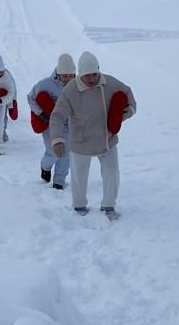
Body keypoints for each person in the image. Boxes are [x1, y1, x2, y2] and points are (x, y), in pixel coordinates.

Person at [50, 51, 135, 219]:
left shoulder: (109, 83)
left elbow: (128, 95)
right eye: (87, 75)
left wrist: (128, 111)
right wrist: (57, 139)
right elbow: (57, 116)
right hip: (81, 141)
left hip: (106, 138)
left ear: (99, 70)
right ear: (80, 74)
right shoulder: (70, 90)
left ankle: (109, 205)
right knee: (79, 176)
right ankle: (79, 205)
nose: (91, 79)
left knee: (112, 173)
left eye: (94, 74)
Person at [28, 53, 76, 190]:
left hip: (69, 125)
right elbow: (30, 97)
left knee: (66, 153)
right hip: (50, 124)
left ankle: (59, 182)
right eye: (64, 76)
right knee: (54, 151)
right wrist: (40, 113)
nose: (67, 79)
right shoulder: (45, 84)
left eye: (70, 75)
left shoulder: (78, 85)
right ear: (58, 73)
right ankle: (45, 166)